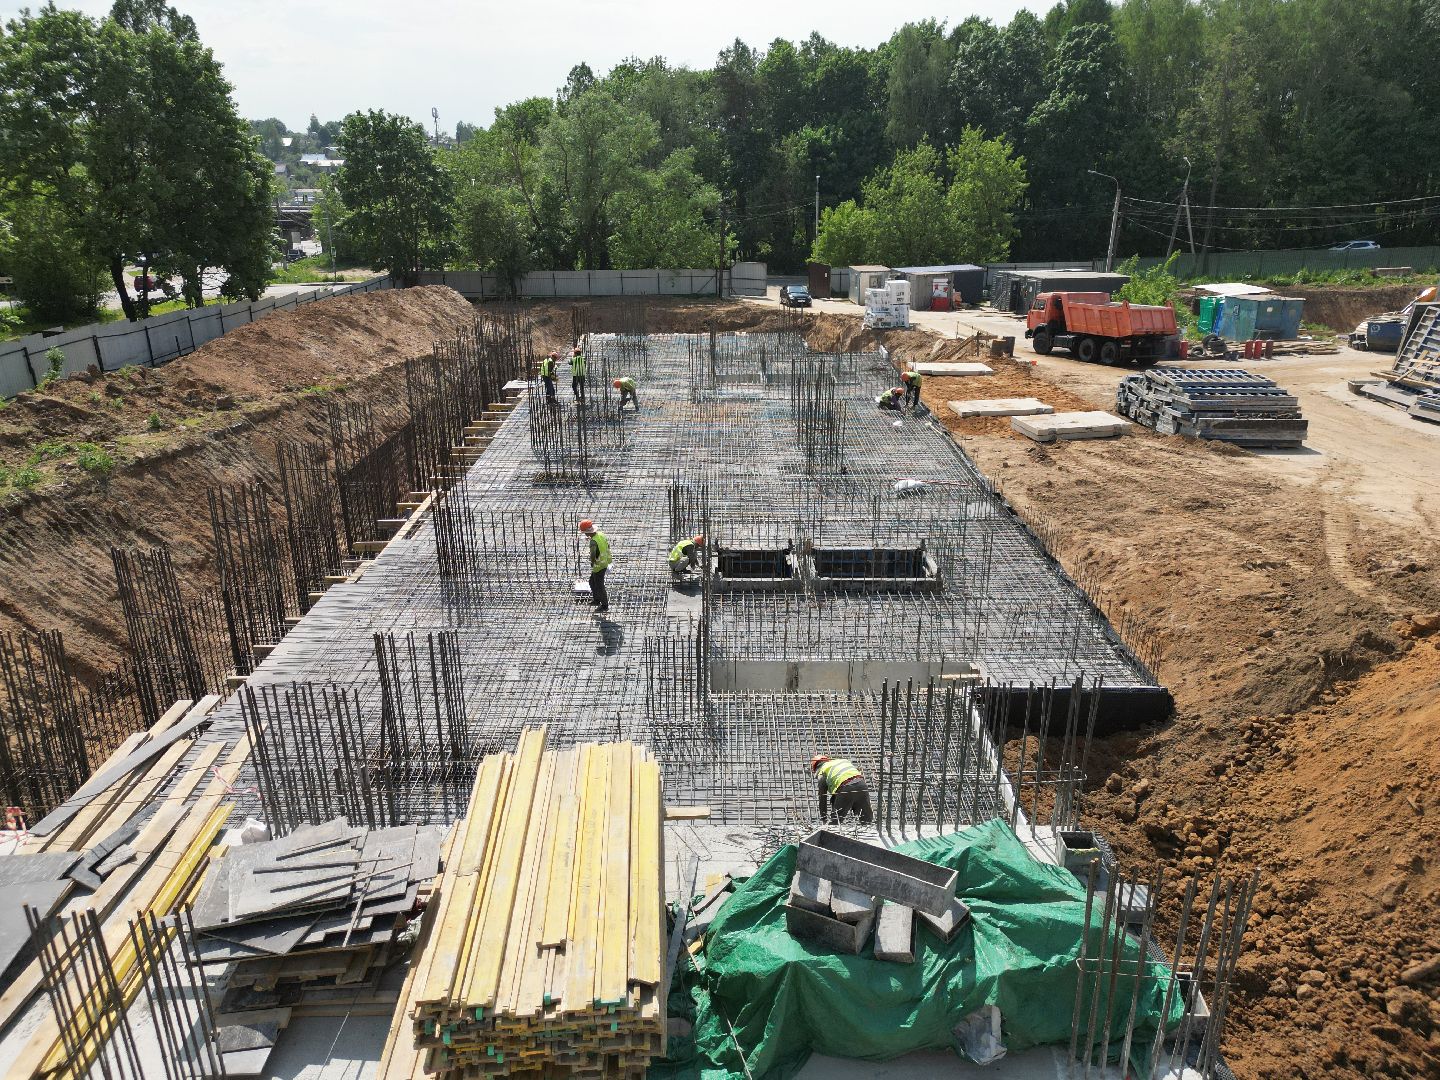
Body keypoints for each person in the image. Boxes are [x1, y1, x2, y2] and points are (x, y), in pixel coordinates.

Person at [812, 755, 873, 823]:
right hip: (862, 785)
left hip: (846, 787)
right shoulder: (842, 761)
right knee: (866, 818)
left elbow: (822, 797)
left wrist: (824, 818)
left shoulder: (823, 771)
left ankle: (833, 828)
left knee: (836, 820)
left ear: (817, 768)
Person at [579, 519, 610, 614]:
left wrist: (593, 564)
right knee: (592, 582)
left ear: (587, 533)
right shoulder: (601, 535)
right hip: (605, 561)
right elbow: (607, 546)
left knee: (599, 585)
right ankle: (596, 600)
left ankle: (604, 605)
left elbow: (593, 556)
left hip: (599, 565)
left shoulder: (593, 542)